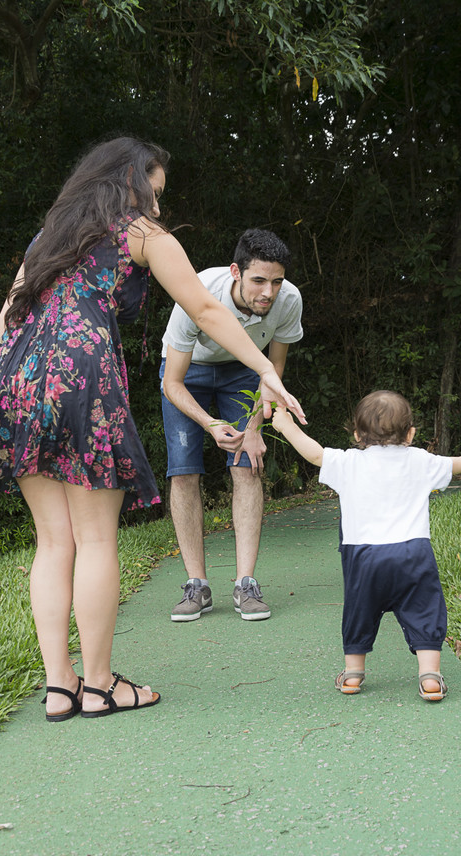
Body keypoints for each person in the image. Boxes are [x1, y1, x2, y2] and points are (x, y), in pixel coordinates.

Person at [0, 137, 306, 721]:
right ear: (129, 184)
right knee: (93, 539)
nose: (158, 208)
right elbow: (208, 310)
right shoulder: (141, 233)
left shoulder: (52, 234)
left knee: (53, 542)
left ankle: (59, 689)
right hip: (81, 372)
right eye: (154, 192)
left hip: (15, 375)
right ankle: (99, 685)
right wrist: (267, 368)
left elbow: (8, 314)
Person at [270, 391, 461, 700]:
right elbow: (456, 463)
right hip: (413, 551)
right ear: (411, 433)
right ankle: (430, 676)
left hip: (364, 555)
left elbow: (316, 454)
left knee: (360, 609)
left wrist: (285, 426)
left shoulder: (348, 462)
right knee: (424, 608)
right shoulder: (420, 460)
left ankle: (353, 674)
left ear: (357, 434)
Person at [160, 229, 303, 623]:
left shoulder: (288, 301)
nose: (268, 293)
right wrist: (209, 424)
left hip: (245, 371)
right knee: (184, 472)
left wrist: (254, 427)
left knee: (248, 466)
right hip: (187, 374)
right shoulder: (200, 293)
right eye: (259, 280)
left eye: (276, 281)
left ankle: (246, 584)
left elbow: (272, 371)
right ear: (236, 272)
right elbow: (171, 382)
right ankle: (196, 585)